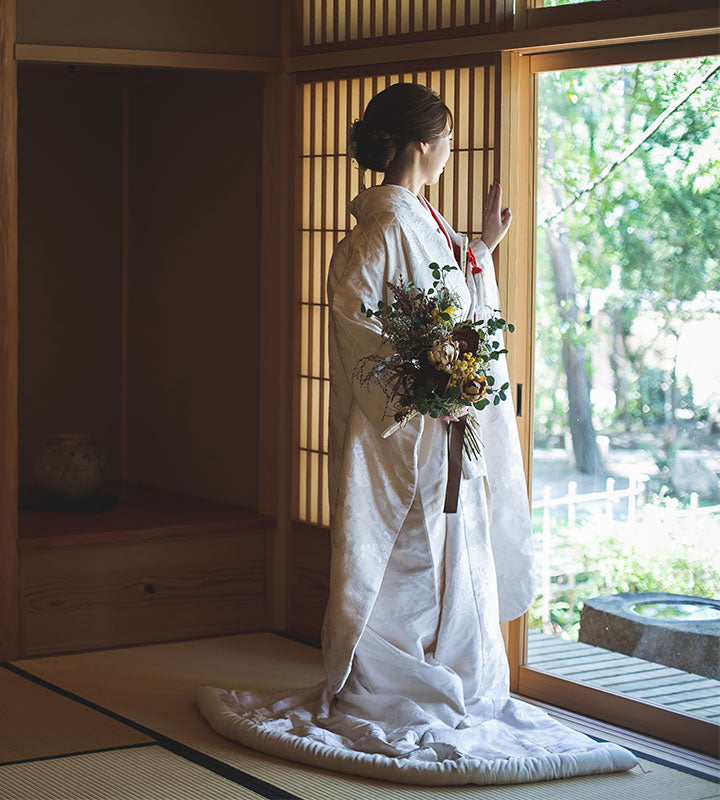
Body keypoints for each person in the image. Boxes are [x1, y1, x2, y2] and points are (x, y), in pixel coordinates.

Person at [196, 83, 638, 785]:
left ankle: (451, 676)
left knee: (453, 556)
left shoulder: (424, 222)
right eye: (449, 140)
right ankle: (389, 689)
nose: (452, 152)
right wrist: (426, 385)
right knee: (403, 562)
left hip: (445, 426)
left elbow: (448, 297)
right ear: (425, 144)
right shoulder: (376, 233)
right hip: (401, 435)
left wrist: (483, 249)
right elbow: (357, 331)